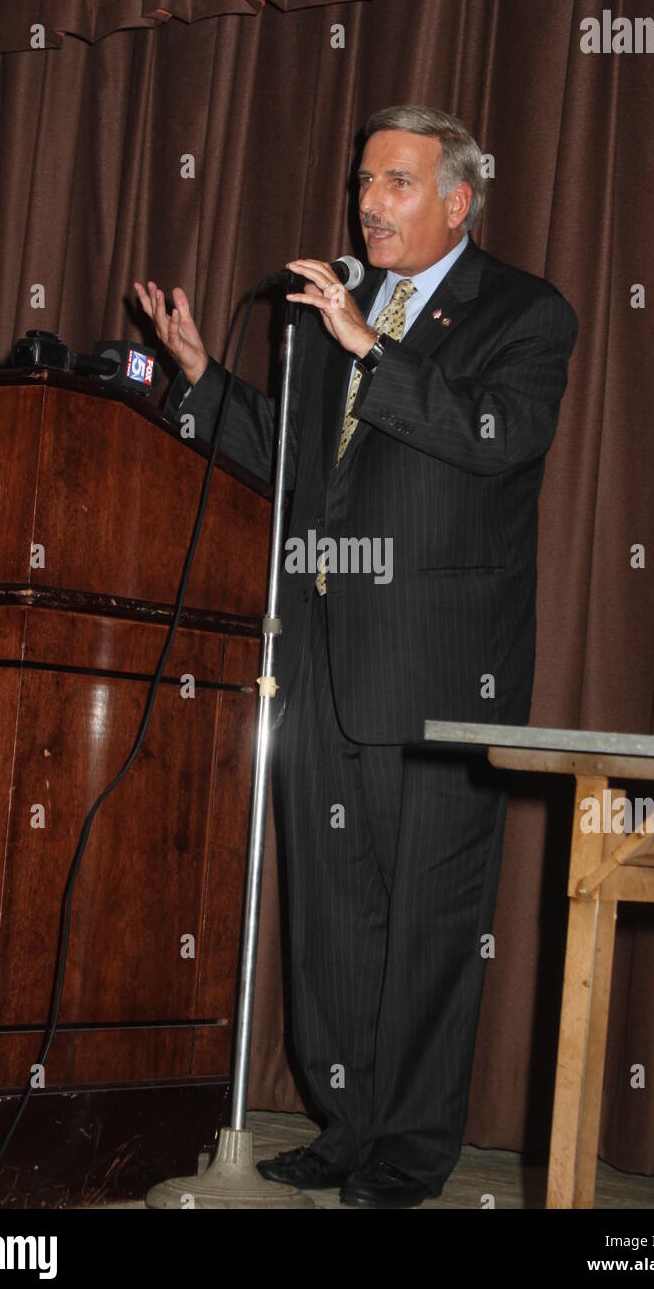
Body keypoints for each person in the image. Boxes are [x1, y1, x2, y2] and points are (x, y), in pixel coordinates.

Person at [134, 103, 578, 1208]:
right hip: (319, 649)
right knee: (329, 908)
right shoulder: (337, 310)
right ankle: (342, 1127)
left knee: (428, 915)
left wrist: (367, 347)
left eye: (394, 182)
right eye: (363, 181)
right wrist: (196, 377)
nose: (367, 202)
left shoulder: (522, 312)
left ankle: (408, 1152)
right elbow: (291, 467)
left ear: (456, 201)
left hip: (438, 670)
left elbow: (496, 439)